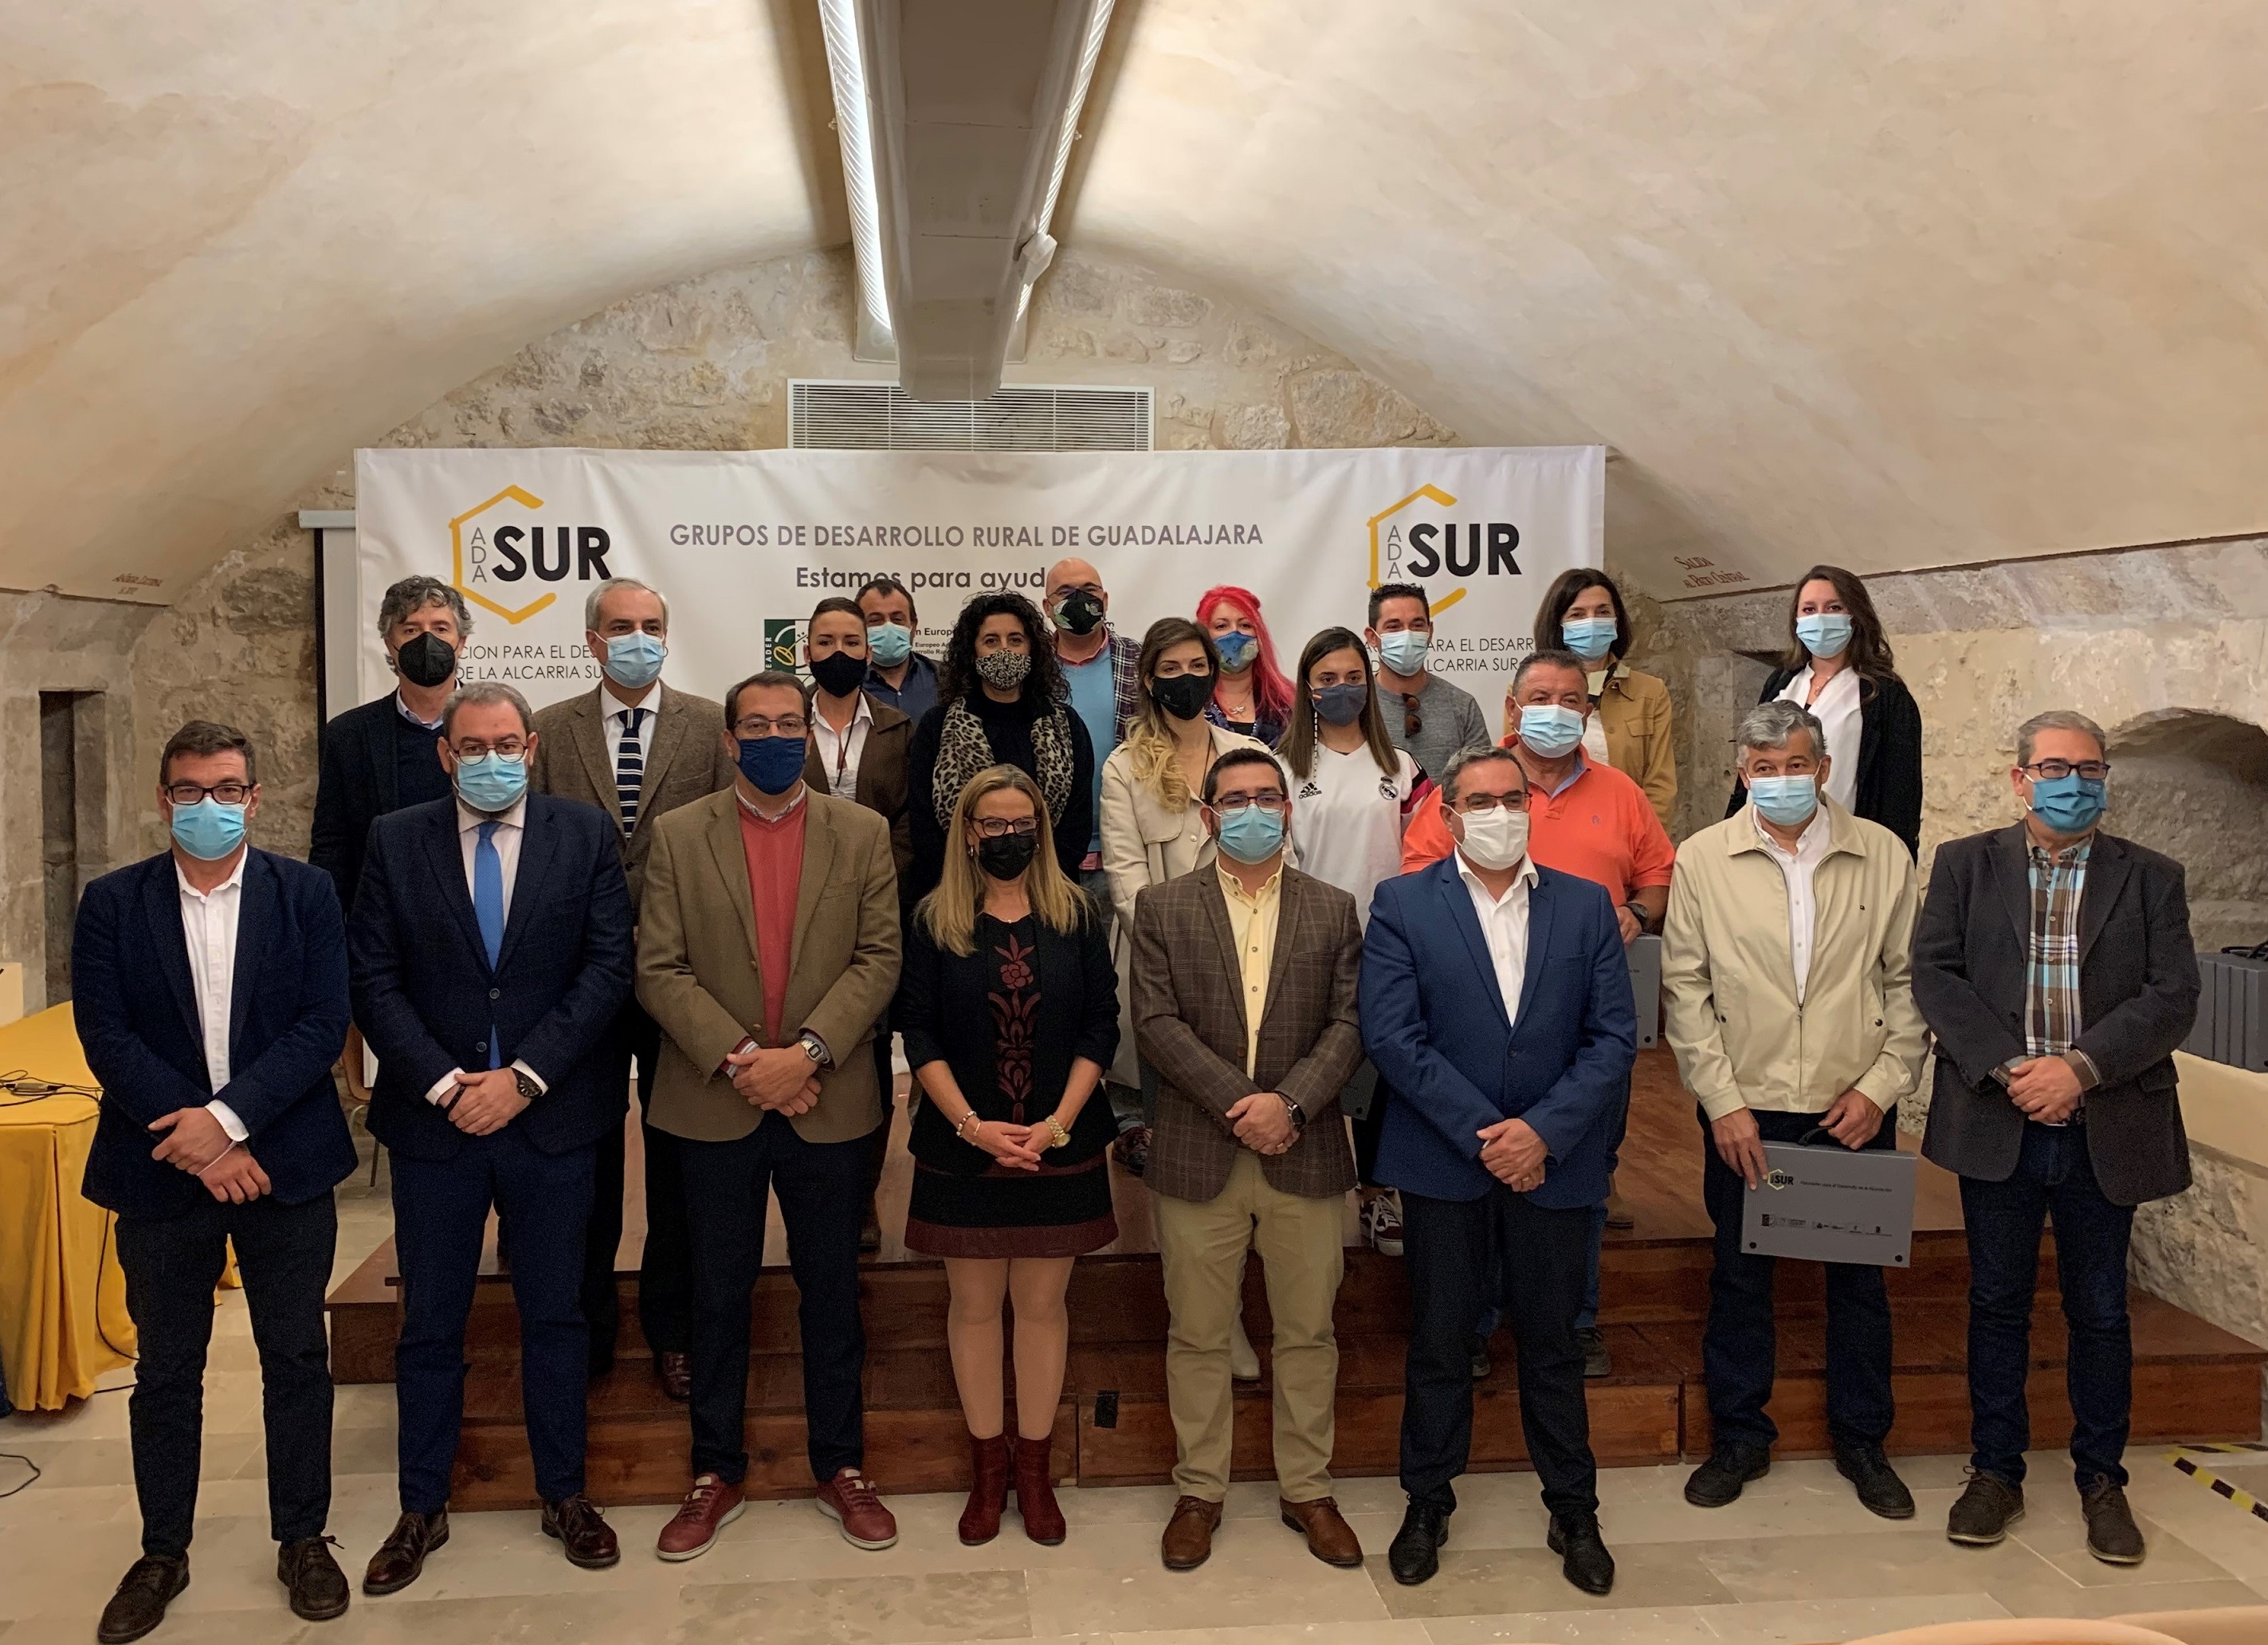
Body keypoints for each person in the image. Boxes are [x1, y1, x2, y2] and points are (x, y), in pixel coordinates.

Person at [75, 722, 358, 1643]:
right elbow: (106, 1034)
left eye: (227, 790)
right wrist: (197, 1138)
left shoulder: (306, 894)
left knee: (296, 1359)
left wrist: (229, 1122)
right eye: (191, 791)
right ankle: (162, 1550)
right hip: (159, 1170)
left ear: (254, 798)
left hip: (283, 1162)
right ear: (164, 800)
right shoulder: (112, 902)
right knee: (166, 1370)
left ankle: (302, 1537)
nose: (210, 806)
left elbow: (322, 1023)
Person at [349, 681, 634, 1594]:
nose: (490, 760)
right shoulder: (395, 840)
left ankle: (565, 1495)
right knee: (430, 1321)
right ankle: (420, 1507)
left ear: (532, 747)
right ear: (445, 754)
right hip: (435, 1125)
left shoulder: (582, 834)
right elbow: (372, 976)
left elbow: (607, 967)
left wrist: (525, 1078)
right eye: (471, 747)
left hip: (551, 1118)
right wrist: (444, 1083)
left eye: (505, 744)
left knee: (556, 1315)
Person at [1914, 711, 2201, 1566]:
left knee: (2100, 1310)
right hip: (1997, 1116)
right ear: (2019, 780)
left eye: (2089, 769)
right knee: (1996, 1303)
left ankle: (2101, 1480)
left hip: (2104, 1120)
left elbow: (2172, 995)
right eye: (2053, 768)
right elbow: (1936, 974)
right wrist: (2014, 1071)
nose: (2073, 783)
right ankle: (1994, 1472)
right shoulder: (1965, 865)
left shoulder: (2151, 877)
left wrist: (2077, 1070)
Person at [636, 671, 903, 1561]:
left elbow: (878, 958)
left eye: (792, 724)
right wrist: (745, 1060)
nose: (776, 738)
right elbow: (659, 968)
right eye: (757, 725)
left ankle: (842, 1465)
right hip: (715, 1102)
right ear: (729, 740)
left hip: (830, 1098)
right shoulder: (679, 835)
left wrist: (808, 1054)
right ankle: (714, 1471)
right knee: (716, 1294)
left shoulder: (861, 832)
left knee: (832, 1292)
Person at [1362, 745, 1634, 1598]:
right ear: (1447, 816)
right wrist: (1489, 1136)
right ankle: (1426, 1501)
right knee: (1442, 1342)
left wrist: (1541, 1134)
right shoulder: (1402, 904)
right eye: (1479, 801)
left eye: (1512, 798)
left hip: (1554, 1165)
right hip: (1445, 1162)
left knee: (1553, 1344)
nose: (1499, 814)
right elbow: (1393, 1037)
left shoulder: (1585, 906)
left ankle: (1573, 1507)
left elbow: (1613, 1038)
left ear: (1530, 806)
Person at [1665, 700, 1927, 1520]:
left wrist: (1881, 1088)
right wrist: (1722, 1103)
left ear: (1823, 768)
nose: (1781, 779)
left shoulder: (1880, 853)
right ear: (1742, 773)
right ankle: (1740, 1437)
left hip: (1853, 1106)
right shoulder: (1703, 858)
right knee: (1739, 1279)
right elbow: (1685, 988)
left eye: (1796, 765)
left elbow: (1907, 982)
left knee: (1859, 1285)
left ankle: (1863, 1441)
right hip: (1748, 1108)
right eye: (1764, 768)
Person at [1397, 652, 1677, 1373]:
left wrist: (1637, 915)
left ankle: (1571, 1319)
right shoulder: (1469, 782)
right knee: (1478, 1171)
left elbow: (1657, 873)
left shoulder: (1620, 792)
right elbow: (1421, 877)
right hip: (1477, 1021)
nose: (1557, 709)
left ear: (1588, 710)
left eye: (1572, 698)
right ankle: (1479, 1318)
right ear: (1513, 707)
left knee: (1583, 1168)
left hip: (1577, 1025)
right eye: (1541, 696)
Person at [1132, 748, 1367, 1573]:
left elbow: (1350, 1023)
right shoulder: (1162, 907)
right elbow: (1155, 1023)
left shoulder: (1334, 908)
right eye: (1234, 800)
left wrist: (1290, 1106)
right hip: (1200, 1151)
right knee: (1197, 1335)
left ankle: (1308, 1489)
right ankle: (1199, 1491)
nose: (1253, 810)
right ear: (1207, 816)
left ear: (1288, 811)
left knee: (1308, 1333)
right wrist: (1244, 1105)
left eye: (1268, 797)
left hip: (1305, 1149)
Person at [895, 765, 1120, 1547]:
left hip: (1060, 1141)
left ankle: (1035, 1470)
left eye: (1021, 823)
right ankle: (988, 1470)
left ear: (1042, 830)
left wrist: (1057, 1123)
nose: (1007, 836)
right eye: (992, 824)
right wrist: (971, 1127)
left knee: (1042, 1307)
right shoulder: (933, 920)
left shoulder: (1077, 914)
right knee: (974, 1306)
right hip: (962, 1148)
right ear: (968, 833)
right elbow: (918, 1032)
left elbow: (1101, 1025)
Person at [529, 576, 736, 1404]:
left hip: (682, 974)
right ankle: (585, 1328)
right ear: (592, 641)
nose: (638, 639)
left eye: (651, 625)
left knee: (680, 1161)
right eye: (621, 627)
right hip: (576, 975)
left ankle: (674, 1330)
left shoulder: (710, 727)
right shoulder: (548, 731)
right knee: (583, 1157)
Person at [1275, 626, 1427, 1259]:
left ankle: (1375, 1195)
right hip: (1309, 944)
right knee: (1309, 1070)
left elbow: (1424, 854)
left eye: (1353, 677)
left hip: (1389, 944)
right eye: (1327, 679)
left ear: (1369, 683)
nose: (1342, 689)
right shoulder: (1286, 767)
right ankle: (1296, 1200)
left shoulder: (1402, 767)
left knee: (1383, 1075)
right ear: (1307, 688)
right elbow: (1278, 855)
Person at [803, 595, 916, 1251]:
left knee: (870, 1055)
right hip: (794, 910)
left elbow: (909, 822)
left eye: (852, 641)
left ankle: (864, 1196)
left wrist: (865, 884)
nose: (840, 653)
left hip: (877, 911)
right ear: (807, 650)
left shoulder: (899, 729)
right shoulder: (785, 720)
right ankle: (810, 1195)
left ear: (869, 651)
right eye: (826, 642)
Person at [907, 592, 1096, 907]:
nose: (1004, 650)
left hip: (1049, 895)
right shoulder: (937, 725)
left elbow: (1076, 826)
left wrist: (1030, 889)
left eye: (1015, 640)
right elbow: (924, 825)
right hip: (960, 897)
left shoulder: (1066, 724)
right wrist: (976, 888)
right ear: (972, 651)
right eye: (991, 641)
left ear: (1032, 648)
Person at [1725, 564, 1923, 860]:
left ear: (1855, 616)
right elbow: (1752, 758)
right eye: (1809, 609)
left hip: (1842, 848)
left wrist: (1894, 860)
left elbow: (1901, 793)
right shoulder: (1781, 682)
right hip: (1763, 842)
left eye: (1833, 608)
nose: (1820, 618)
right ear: (1796, 619)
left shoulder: (1885, 695)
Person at [310, 575, 470, 918]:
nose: (427, 639)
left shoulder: (498, 727)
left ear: (461, 642)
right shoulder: (349, 735)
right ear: (389, 643)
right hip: (385, 920)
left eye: (441, 628)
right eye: (411, 630)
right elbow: (332, 847)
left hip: (477, 910)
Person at [1531, 567, 1677, 832]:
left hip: (1625, 833)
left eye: (1602, 612)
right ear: (1558, 625)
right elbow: (1520, 774)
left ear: (1616, 620)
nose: (1592, 622)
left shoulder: (1650, 692)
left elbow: (1660, 785)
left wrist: (1643, 842)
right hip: (1551, 831)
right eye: (1577, 614)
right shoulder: (1529, 692)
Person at [1367, 582, 1490, 783]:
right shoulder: (1357, 704)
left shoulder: (1462, 706)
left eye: (1417, 625)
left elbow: (1482, 784)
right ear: (1372, 637)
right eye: (1394, 627)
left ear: (1429, 632)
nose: (1407, 635)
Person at [1195, 583, 1293, 748]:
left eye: (1245, 625)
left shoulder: (1286, 702)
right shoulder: (1194, 701)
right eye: (1221, 626)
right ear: (1204, 635)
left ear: (1259, 635)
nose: (1235, 634)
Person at [857, 575, 941, 724]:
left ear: (913, 626)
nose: (888, 627)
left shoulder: (946, 678)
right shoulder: (847, 684)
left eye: (897, 619)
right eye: (875, 620)